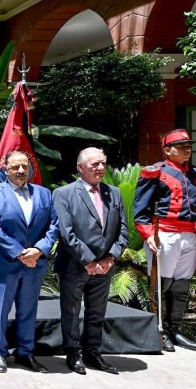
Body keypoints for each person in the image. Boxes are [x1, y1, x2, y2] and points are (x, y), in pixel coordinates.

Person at [0, 151, 59, 374]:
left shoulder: (45, 194)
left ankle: (26, 352)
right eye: (15, 167)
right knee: (1, 311)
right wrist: (19, 253)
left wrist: (39, 250)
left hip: (34, 264)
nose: (21, 171)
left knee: (28, 310)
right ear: (5, 170)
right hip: (5, 263)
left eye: (24, 166)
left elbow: (54, 226)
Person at [54, 147, 128, 374]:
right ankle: (73, 353)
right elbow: (66, 233)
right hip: (75, 265)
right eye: (94, 164)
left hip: (105, 266)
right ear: (80, 167)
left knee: (97, 312)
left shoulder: (113, 193)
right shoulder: (64, 193)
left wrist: (111, 257)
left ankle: (93, 352)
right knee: (72, 311)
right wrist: (88, 260)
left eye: (103, 163)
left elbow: (123, 230)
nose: (100, 168)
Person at [133, 129, 196, 352]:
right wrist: (148, 235)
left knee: (182, 283)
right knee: (162, 283)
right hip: (165, 234)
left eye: (189, 145)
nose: (188, 149)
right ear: (167, 150)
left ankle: (176, 330)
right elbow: (140, 211)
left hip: (191, 235)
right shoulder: (154, 173)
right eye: (182, 146)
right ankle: (160, 332)